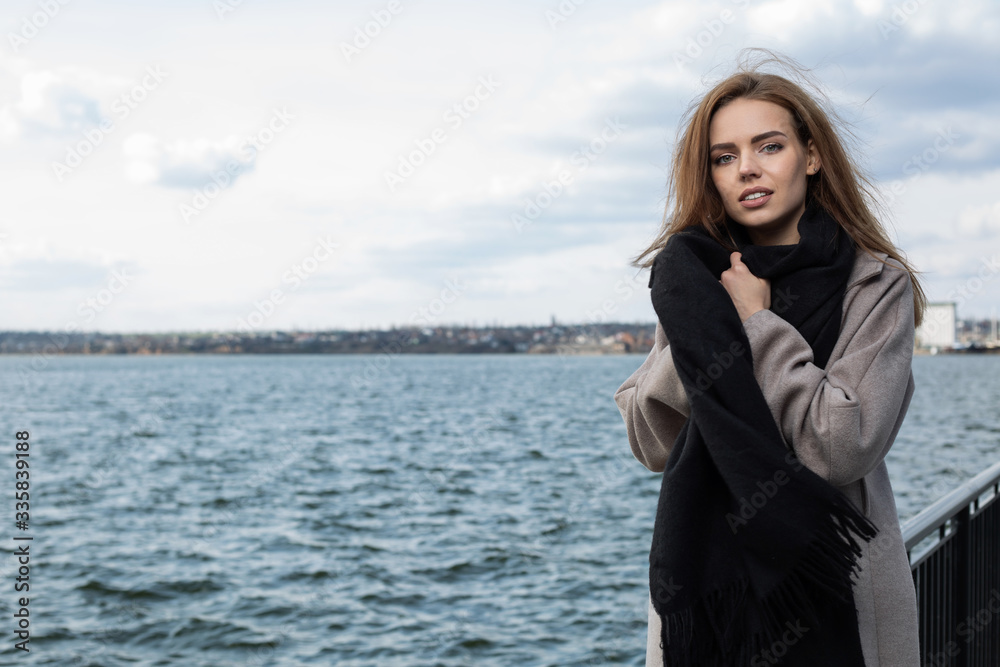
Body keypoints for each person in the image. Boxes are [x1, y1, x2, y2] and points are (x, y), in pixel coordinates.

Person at [613, 53, 927, 667]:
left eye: (769, 146)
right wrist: (711, 327)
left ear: (811, 157)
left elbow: (840, 444)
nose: (747, 169)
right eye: (724, 157)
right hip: (711, 602)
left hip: (842, 585)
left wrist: (758, 325)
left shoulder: (874, 285)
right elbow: (650, 439)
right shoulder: (693, 280)